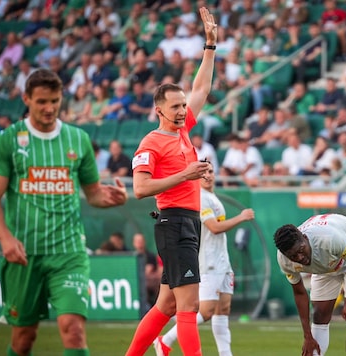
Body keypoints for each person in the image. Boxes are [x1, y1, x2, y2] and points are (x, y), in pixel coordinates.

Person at [0, 68, 128, 356]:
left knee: (74, 329)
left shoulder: (78, 139)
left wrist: (111, 198)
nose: (49, 108)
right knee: (24, 338)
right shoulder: (8, 140)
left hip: (69, 252)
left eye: (55, 101)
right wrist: (5, 239)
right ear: (26, 99)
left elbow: (93, 193)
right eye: (42, 102)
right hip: (25, 252)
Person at [125, 7, 217, 356]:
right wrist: (186, 174)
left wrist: (210, 48)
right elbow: (140, 189)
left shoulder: (182, 133)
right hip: (174, 222)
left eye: (183, 106)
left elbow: (202, 88)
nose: (182, 111)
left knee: (165, 306)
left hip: (186, 222)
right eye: (175, 107)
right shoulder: (152, 141)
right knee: (188, 306)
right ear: (159, 110)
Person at [154, 161, 255, 356]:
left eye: (211, 171)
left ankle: (226, 353)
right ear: (197, 175)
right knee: (206, 310)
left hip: (221, 261)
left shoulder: (212, 197)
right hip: (209, 262)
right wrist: (241, 217)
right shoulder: (200, 198)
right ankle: (165, 340)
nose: (208, 175)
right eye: (204, 172)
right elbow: (214, 228)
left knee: (223, 309)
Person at [273, 213, 346, 356]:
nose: (299, 258)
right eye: (293, 256)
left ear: (305, 238)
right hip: (326, 265)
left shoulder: (329, 238)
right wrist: (307, 336)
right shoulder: (284, 261)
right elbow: (300, 293)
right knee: (320, 315)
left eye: (301, 250)